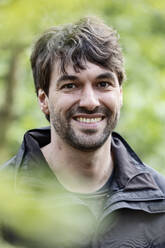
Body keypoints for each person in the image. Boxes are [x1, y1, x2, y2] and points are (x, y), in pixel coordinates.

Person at [2, 16, 165, 248]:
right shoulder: (6, 202)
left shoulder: (160, 200)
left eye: (103, 84)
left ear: (120, 93)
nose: (90, 101)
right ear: (43, 100)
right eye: (71, 85)